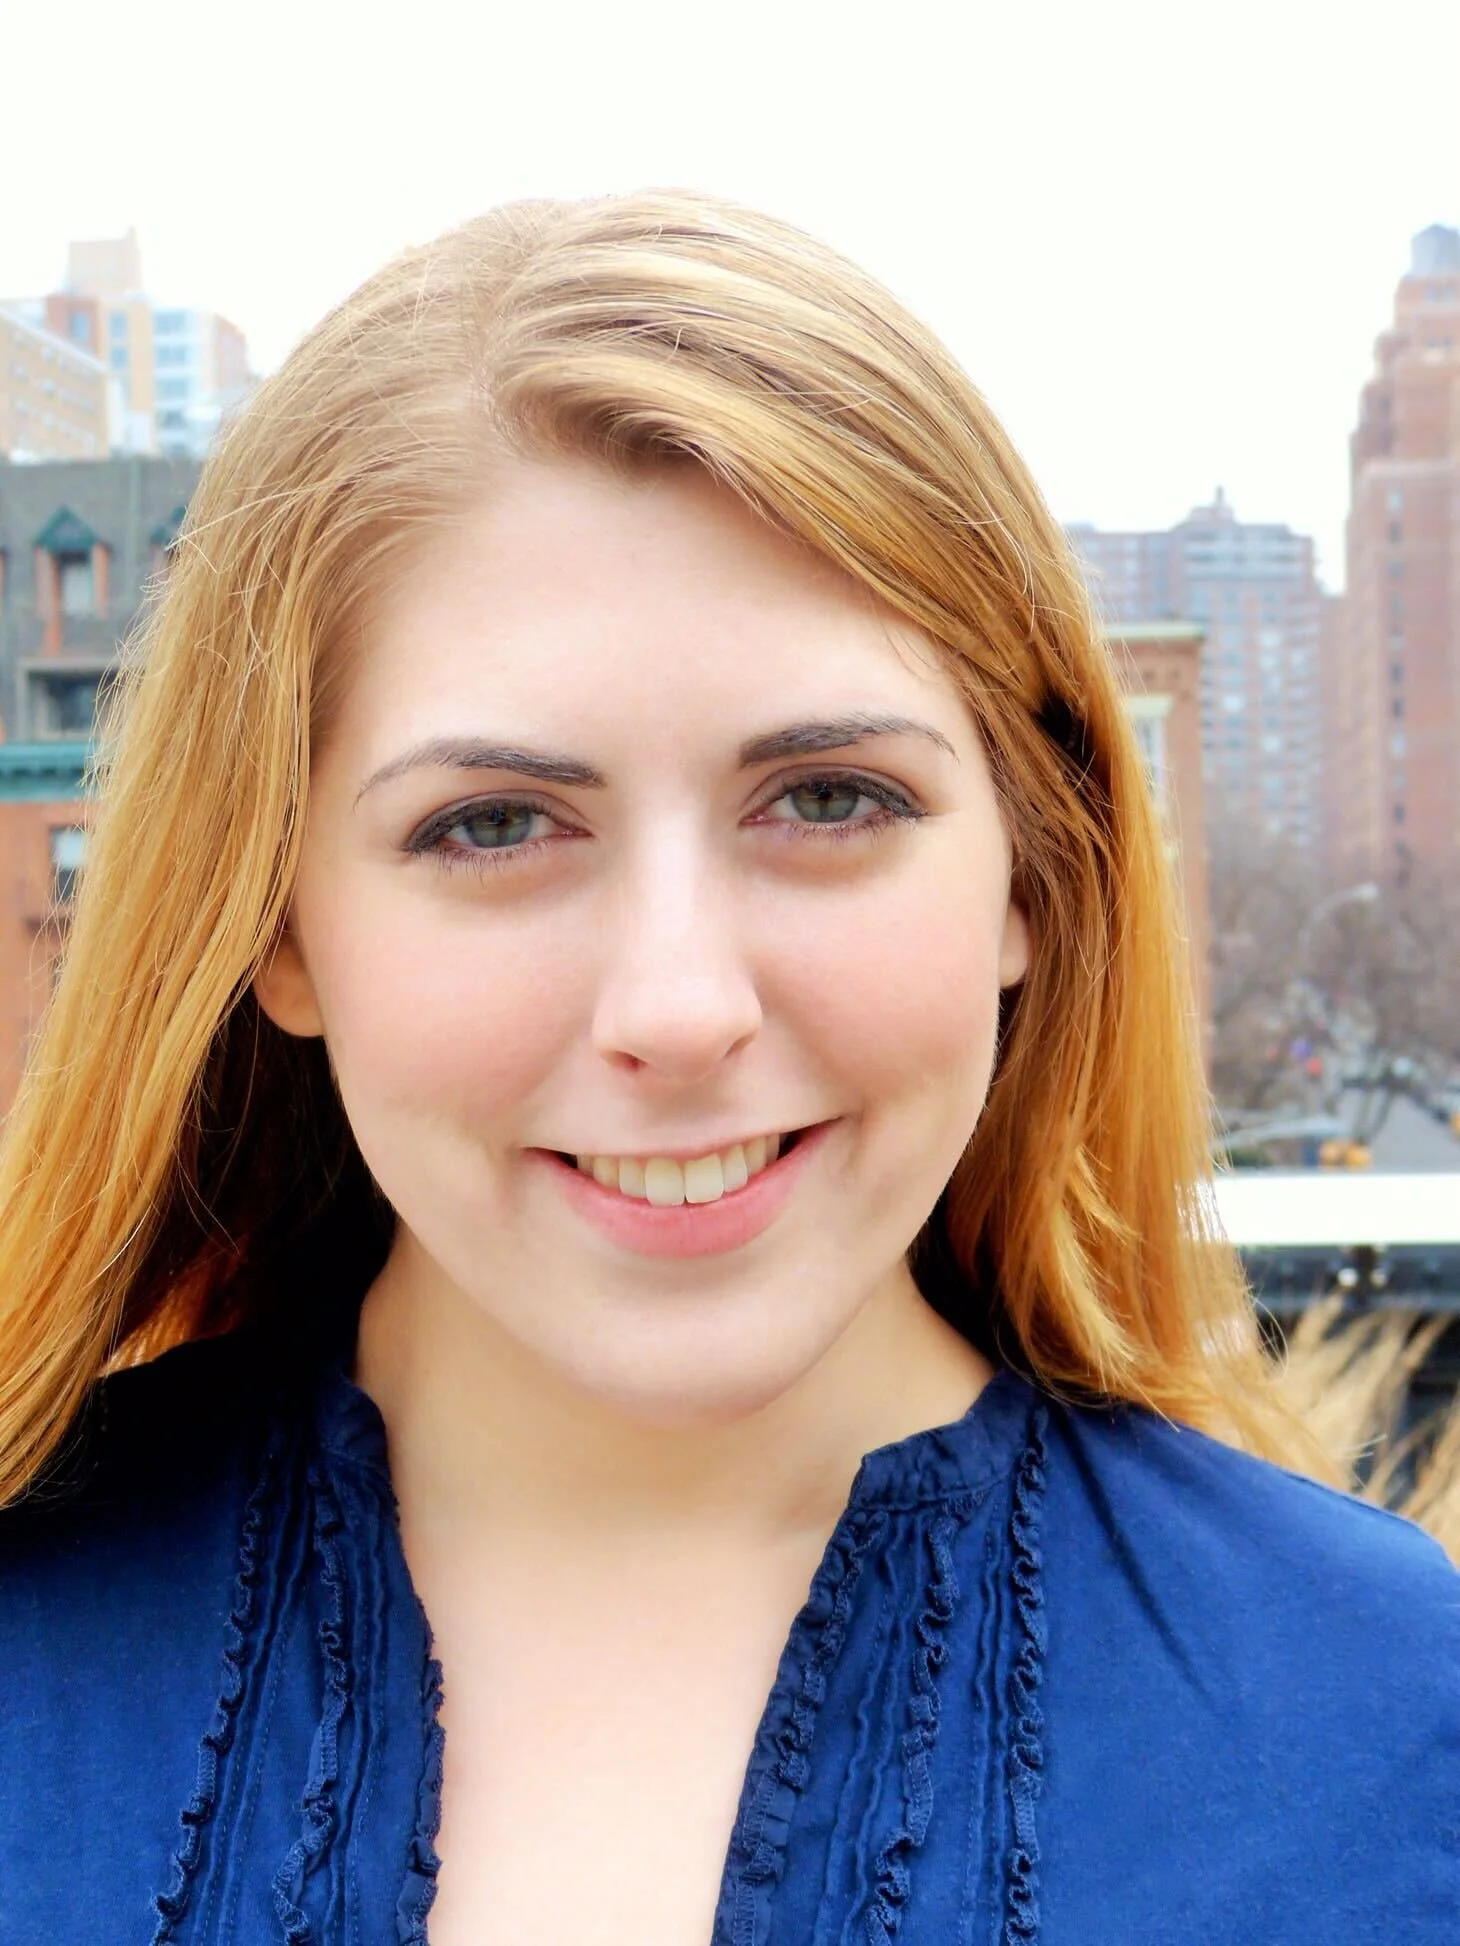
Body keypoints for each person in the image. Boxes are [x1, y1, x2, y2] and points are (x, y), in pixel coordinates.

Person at [0, 192, 1455, 1946]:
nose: (680, 1008)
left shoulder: (1387, 1726)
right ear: (281, 929)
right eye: (493, 823)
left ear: (1033, 871)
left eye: (830, 798)